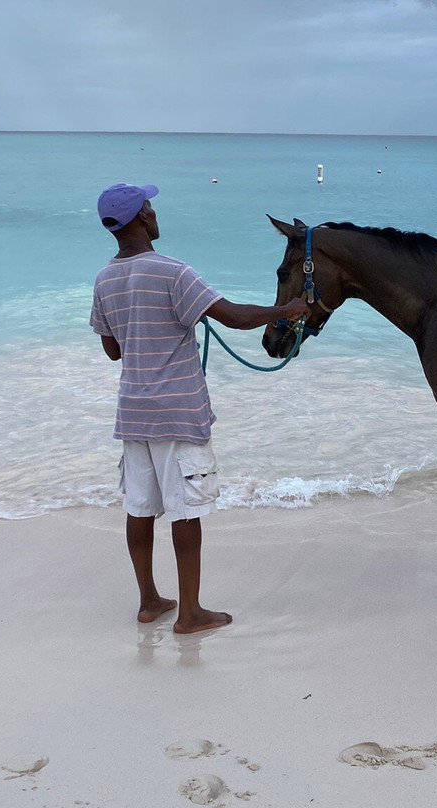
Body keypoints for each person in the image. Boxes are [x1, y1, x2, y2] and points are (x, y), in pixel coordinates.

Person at [90, 183, 309, 634]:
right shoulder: (174, 272)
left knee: (139, 507)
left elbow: (113, 350)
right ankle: (189, 613)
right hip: (178, 413)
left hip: (133, 412)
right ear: (140, 219)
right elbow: (232, 317)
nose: (154, 213)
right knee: (185, 510)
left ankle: (149, 602)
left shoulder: (104, 279)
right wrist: (285, 310)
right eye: (150, 207)